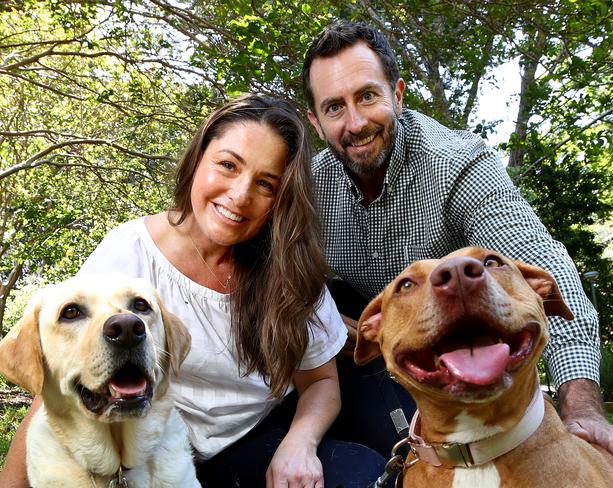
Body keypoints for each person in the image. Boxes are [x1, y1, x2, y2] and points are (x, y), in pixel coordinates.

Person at [301, 20, 613, 485]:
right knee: (374, 461)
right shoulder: (307, 190)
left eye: (368, 96)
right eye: (334, 107)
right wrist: (320, 320)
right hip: (372, 348)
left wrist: (582, 407)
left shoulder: (458, 163)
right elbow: (261, 270)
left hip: (466, 340)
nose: (356, 122)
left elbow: (544, 271)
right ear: (316, 121)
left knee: (451, 436)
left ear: (398, 95)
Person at [0, 94, 387, 488]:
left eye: (266, 184)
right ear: (198, 157)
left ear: (281, 200)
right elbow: (58, 377)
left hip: (259, 436)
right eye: (227, 165)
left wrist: (299, 444)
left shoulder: (290, 268)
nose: (239, 195)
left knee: (363, 474)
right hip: (157, 447)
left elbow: (321, 382)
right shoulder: (129, 253)